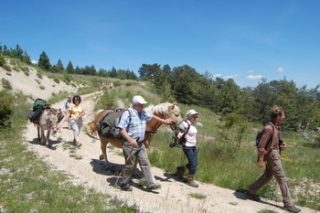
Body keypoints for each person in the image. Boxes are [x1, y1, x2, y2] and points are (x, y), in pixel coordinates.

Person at [245, 107, 301, 213]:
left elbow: (274, 141)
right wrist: (260, 159)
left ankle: (250, 191)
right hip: (272, 156)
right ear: (278, 116)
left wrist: (280, 146)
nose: (284, 117)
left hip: (275, 153)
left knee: (267, 176)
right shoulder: (269, 128)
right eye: (283, 115)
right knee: (282, 178)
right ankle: (288, 204)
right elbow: (261, 146)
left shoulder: (276, 126)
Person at [118, 95, 173, 191]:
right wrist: (130, 140)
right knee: (130, 164)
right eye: (140, 105)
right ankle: (124, 183)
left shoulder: (143, 113)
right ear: (135, 105)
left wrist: (164, 121)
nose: (142, 106)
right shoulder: (128, 113)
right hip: (129, 144)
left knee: (145, 163)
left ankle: (151, 183)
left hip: (140, 143)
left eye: (143, 105)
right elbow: (121, 129)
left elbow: (152, 116)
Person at [176, 109, 199, 188]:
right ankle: (190, 179)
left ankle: (181, 169)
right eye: (194, 116)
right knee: (193, 163)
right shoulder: (185, 124)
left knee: (195, 163)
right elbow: (180, 133)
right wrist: (178, 138)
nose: (196, 118)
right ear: (189, 116)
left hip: (193, 146)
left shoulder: (193, 124)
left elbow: (193, 135)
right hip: (187, 146)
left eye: (196, 116)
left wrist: (195, 144)